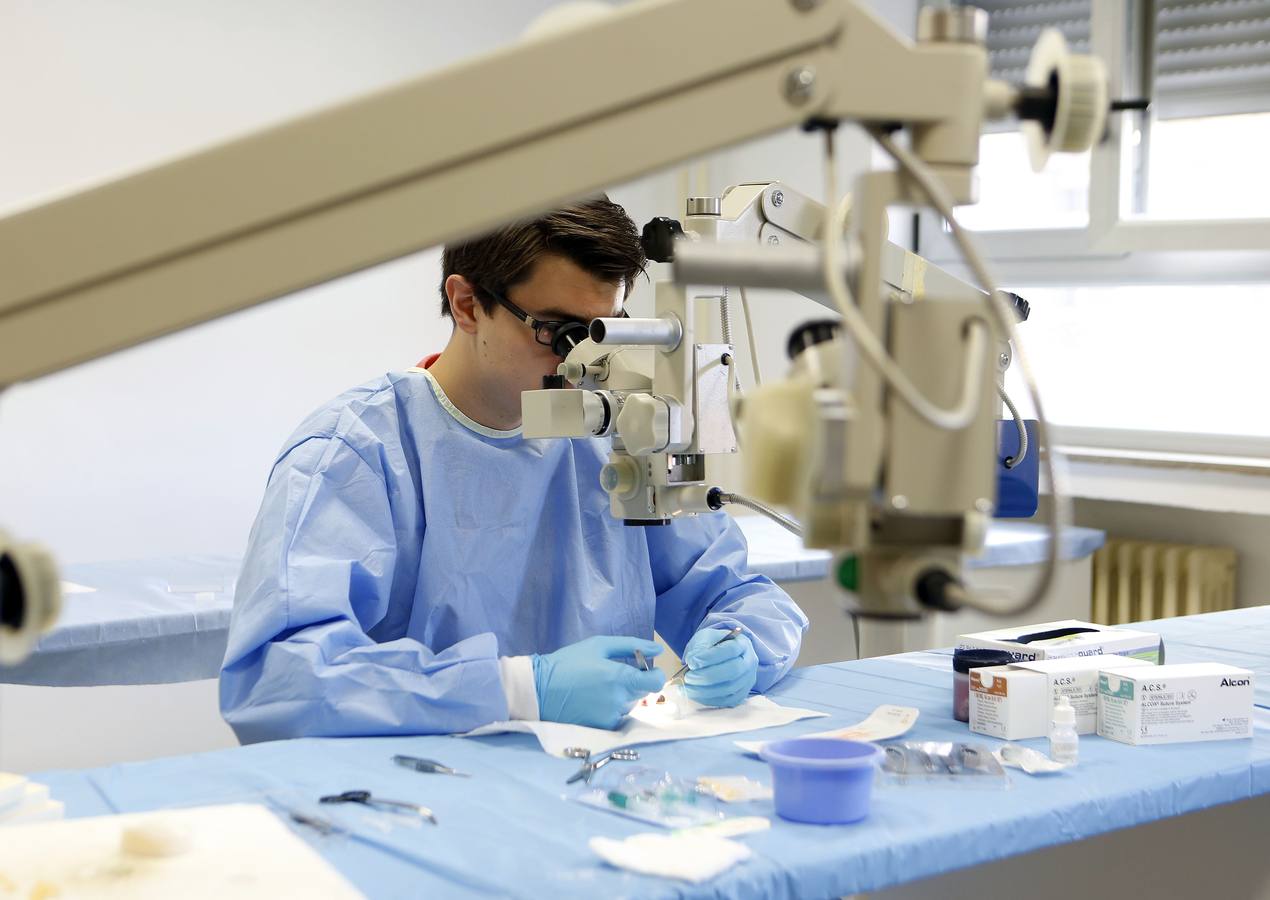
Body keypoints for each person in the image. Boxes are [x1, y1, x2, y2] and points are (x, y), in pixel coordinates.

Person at [220, 196, 808, 743]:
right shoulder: (356, 454)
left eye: (605, 331)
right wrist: (520, 690)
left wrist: (742, 642)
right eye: (561, 334)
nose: (587, 363)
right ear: (467, 303)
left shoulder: (617, 431)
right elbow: (279, 678)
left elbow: (734, 592)